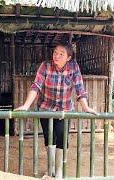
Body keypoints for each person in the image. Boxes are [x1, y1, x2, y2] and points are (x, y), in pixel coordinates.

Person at [15, 42, 97, 178]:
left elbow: (79, 88)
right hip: (46, 108)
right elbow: (36, 86)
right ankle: (50, 168)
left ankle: (59, 170)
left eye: (61, 54)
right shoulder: (45, 65)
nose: (56, 56)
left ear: (68, 57)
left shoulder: (73, 67)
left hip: (65, 110)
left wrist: (86, 107)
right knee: (49, 138)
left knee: (62, 138)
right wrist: (26, 105)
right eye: (55, 53)